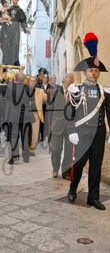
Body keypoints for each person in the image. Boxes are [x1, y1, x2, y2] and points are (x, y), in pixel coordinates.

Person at [66, 32, 110, 210]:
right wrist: (72, 131)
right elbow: (69, 111)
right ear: (85, 72)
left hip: (99, 132)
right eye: (91, 70)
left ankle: (93, 197)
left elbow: (109, 112)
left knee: (96, 167)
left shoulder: (104, 91)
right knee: (79, 164)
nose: (94, 73)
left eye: (96, 71)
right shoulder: (76, 89)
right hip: (82, 132)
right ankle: (72, 188)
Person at [48, 73, 75, 180]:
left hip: (70, 127)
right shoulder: (54, 93)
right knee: (56, 149)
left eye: (72, 84)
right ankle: (55, 168)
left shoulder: (75, 94)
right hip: (57, 126)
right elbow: (49, 111)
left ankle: (66, 172)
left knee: (69, 150)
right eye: (68, 84)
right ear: (63, 82)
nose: (70, 86)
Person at [4, 72, 35, 164]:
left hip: (14, 116)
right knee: (25, 136)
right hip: (26, 115)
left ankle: (15, 156)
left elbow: (5, 96)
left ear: (16, 79)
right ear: (25, 79)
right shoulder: (29, 88)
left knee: (14, 136)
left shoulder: (10, 87)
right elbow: (32, 99)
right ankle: (26, 157)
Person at [0, 0, 31, 66]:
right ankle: (6, 60)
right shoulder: (8, 8)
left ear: (18, 0)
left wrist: (25, 28)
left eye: (15, 0)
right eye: (12, 0)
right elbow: (1, 16)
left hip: (15, 29)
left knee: (15, 44)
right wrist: (1, 19)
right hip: (6, 29)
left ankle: (15, 60)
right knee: (5, 44)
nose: (13, 1)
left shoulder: (20, 10)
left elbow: (23, 20)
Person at [29, 76, 47, 156]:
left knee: (35, 132)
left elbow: (47, 98)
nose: (32, 82)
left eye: (34, 81)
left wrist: (50, 94)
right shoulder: (24, 90)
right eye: (31, 81)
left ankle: (32, 149)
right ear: (28, 82)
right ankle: (24, 147)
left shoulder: (40, 91)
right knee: (26, 131)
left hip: (36, 114)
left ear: (36, 83)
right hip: (26, 113)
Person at [37, 73, 51, 142]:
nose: (45, 78)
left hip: (48, 107)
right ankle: (42, 136)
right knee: (41, 122)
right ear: (42, 78)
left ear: (48, 79)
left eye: (46, 77)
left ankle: (49, 136)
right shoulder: (38, 86)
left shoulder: (50, 87)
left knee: (48, 122)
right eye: (44, 77)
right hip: (41, 106)